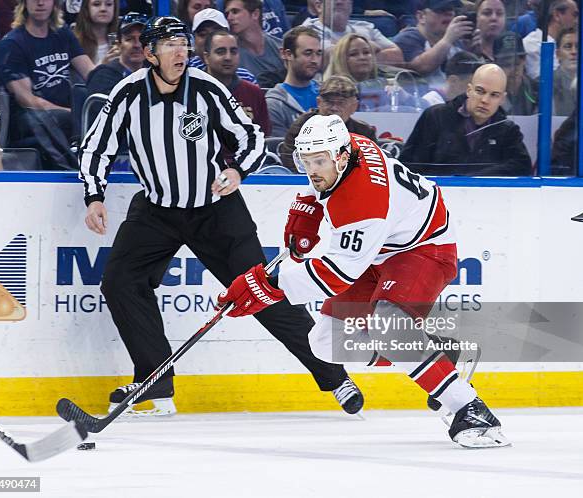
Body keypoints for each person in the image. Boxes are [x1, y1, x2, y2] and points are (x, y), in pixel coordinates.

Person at [79, 16, 364, 416]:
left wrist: (237, 171)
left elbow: (248, 137)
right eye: (170, 45)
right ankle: (155, 383)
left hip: (215, 208)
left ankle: (336, 378)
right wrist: (94, 195)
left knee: (263, 292)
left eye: (183, 43)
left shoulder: (207, 89)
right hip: (156, 209)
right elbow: (96, 148)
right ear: (149, 53)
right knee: (120, 282)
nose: (181, 51)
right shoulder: (127, 94)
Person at [217, 113, 510, 449]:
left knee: (390, 328)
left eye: (319, 161)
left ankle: (471, 409)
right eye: (306, 161)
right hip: (381, 247)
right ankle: (438, 352)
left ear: (340, 156)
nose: (312, 170)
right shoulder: (346, 148)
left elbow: (336, 275)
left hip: (425, 248)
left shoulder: (364, 199)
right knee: (326, 342)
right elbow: (321, 182)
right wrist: (307, 208)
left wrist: (265, 286)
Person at [0, 0, 95, 170]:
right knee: (44, 119)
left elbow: (91, 73)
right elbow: (27, 100)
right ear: (24, 3)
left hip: (66, 115)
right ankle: (73, 169)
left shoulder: (63, 35)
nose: (40, 3)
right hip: (28, 118)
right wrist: (73, 114)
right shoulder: (11, 44)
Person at [400, 64, 532, 176]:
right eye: (480, 91)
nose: (485, 100)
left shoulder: (507, 130)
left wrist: (473, 179)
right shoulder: (435, 117)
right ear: (469, 90)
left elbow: (522, 168)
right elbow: (408, 166)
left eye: (494, 95)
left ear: (502, 99)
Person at [280, 75, 378, 172]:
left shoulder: (364, 133)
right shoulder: (301, 127)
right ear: (319, 102)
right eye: (329, 102)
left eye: (341, 103)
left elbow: (372, 167)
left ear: (354, 106)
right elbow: (291, 164)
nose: (334, 108)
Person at [393, 0, 474, 90]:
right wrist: (447, 40)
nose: (449, 13)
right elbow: (420, 68)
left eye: (451, 9)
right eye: (441, 10)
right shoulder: (407, 38)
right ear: (421, 17)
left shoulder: (456, 41)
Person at [325, 34, 417, 112]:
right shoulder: (333, 90)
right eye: (353, 54)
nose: (362, 57)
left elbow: (423, 107)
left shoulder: (385, 82)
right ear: (341, 60)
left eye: (366, 52)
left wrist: (406, 97)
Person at [203, 29, 271, 135]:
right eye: (221, 52)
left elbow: (264, 137)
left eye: (233, 51)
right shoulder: (190, 92)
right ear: (206, 57)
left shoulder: (254, 93)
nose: (228, 57)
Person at [303, 0, 403, 65]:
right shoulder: (308, 31)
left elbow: (397, 55)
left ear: (351, 5)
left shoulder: (365, 27)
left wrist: (348, 54)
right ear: (319, 6)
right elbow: (327, 58)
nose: (340, 2)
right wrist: (370, 47)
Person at [265, 26, 321, 137]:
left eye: (318, 53)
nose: (315, 60)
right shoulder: (274, 104)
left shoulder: (328, 95)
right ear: (287, 54)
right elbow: (280, 149)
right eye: (308, 53)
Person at [188, 8, 258, 85]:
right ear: (194, 39)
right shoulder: (184, 72)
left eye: (217, 33)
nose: (209, 39)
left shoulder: (246, 78)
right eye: (203, 34)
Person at [225, 0, 286, 87]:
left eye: (235, 12)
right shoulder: (230, 54)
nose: (229, 18)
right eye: (227, 14)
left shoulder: (280, 47)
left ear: (255, 14)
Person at [86, 11, 147, 96]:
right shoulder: (103, 76)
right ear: (118, 44)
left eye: (142, 39)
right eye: (129, 39)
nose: (137, 45)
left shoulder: (153, 73)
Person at [523, 0, 579, 80]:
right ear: (557, 15)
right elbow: (541, 82)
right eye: (574, 15)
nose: (577, 21)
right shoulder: (532, 44)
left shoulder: (574, 40)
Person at [493, 31, 537, 116]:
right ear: (496, 64)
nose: (513, 70)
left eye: (516, 64)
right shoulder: (488, 94)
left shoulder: (536, 91)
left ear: (524, 61)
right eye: (506, 65)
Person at [73, 0, 120, 65]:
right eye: (96, 4)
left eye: (109, 4)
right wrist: (103, 65)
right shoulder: (74, 42)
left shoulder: (122, 40)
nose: (103, 9)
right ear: (86, 8)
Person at [553, 27, 578, 116]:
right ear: (558, 54)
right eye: (568, 46)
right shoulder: (546, 82)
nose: (574, 52)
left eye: (578, 46)